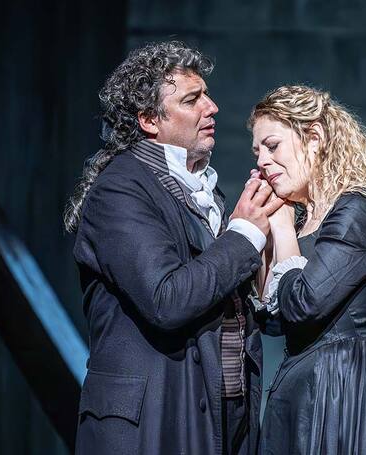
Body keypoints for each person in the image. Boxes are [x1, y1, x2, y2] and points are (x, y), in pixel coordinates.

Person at [64, 41, 283, 454]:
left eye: (207, 94)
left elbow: (216, 289)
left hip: (218, 415)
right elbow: (166, 298)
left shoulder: (204, 190)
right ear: (149, 119)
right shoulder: (121, 188)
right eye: (192, 99)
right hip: (155, 422)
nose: (212, 107)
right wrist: (244, 234)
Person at [249, 85, 366, 454]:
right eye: (257, 151)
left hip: (351, 392)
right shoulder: (303, 220)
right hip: (309, 390)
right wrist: (269, 231)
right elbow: (274, 319)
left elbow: (303, 304)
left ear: (315, 137)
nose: (262, 161)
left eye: (272, 146)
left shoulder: (358, 209)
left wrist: (284, 229)